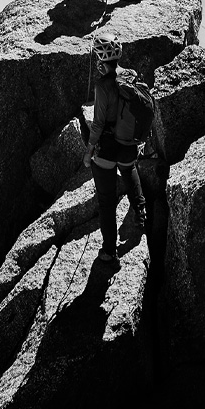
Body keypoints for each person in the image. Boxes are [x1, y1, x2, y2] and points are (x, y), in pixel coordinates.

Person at [85, 31, 147, 264]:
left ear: (100, 58)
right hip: (128, 144)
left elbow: (99, 122)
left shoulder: (102, 86)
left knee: (107, 201)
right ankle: (141, 214)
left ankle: (110, 251)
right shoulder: (129, 76)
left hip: (108, 149)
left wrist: (89, 150)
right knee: (130, 171)